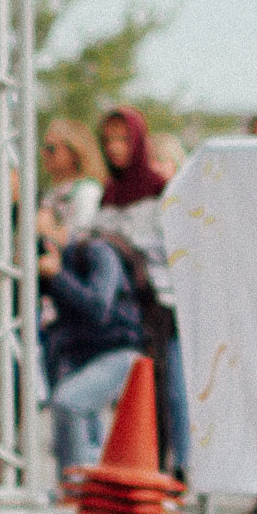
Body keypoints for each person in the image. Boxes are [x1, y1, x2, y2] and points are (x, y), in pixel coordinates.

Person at [97, 103, 188, 480]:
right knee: (132, 395)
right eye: (108, 139)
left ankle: (173, 472)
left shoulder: (162, 191)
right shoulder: (108, 195)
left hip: (161, 306)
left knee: (168, 392)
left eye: (124, 138)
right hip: (122, 310)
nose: (116, 147)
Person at [38, 209, 148, 480]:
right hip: (80, 358)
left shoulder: (96, 251)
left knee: (69, 402)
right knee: (81, 428)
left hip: (119, 351)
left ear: (62, 231)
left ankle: (77, 489)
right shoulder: (52, 269)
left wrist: (58, 276)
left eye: (45, 239)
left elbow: (99, 308)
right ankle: (79, 488)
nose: (42, 249)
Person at [39, 117, 104, 240]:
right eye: (44, 147)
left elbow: (81, 238)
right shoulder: (52, 191)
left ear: (74, 152)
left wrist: (46, 229)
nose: (44, 153)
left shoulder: (88, 190)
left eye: (51, 148)